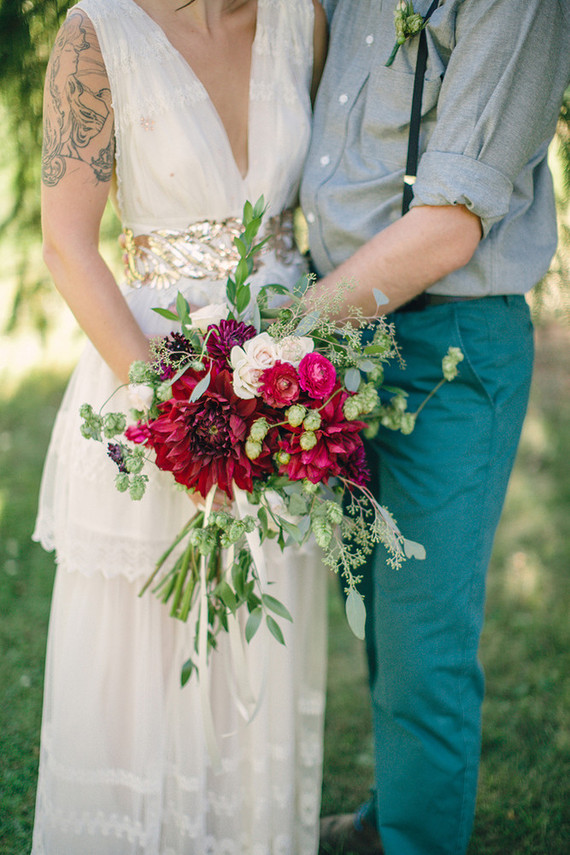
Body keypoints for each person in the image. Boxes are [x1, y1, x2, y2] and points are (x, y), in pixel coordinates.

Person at [32, 1, 328, 853]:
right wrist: (179, 408)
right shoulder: (99, 33)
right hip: (154, 381)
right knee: (144, 656)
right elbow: (67, 245)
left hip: (284, 388)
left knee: (254, 640)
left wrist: (285, 386)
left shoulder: (299, 19)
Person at [300, 2, 570, 854]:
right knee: (383, 611)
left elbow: (451, 224)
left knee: (425, 643)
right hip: (339, 335)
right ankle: (394, 815)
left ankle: (416, 837)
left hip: (446, 343)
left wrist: (284, 339)